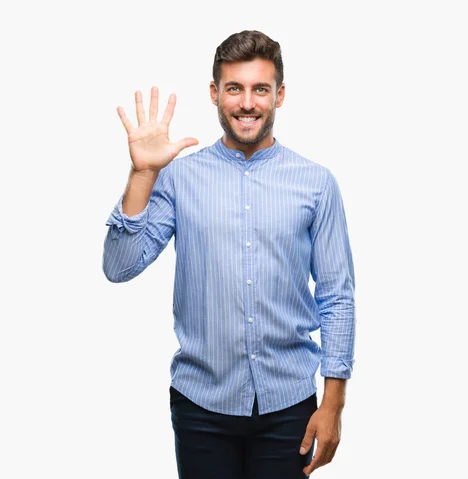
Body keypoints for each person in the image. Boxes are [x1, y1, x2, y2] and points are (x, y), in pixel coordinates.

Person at [103, 30, 356, 479]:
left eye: (260, 89)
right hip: (201, 405)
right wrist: (143, 173)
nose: (247, 103)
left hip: (288, 405)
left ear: (279, 95)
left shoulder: (316, 183)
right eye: (234, 88)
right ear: (215, 93)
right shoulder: (179, 179)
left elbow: (337, 296)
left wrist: (333, 401)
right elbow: (119, 267)